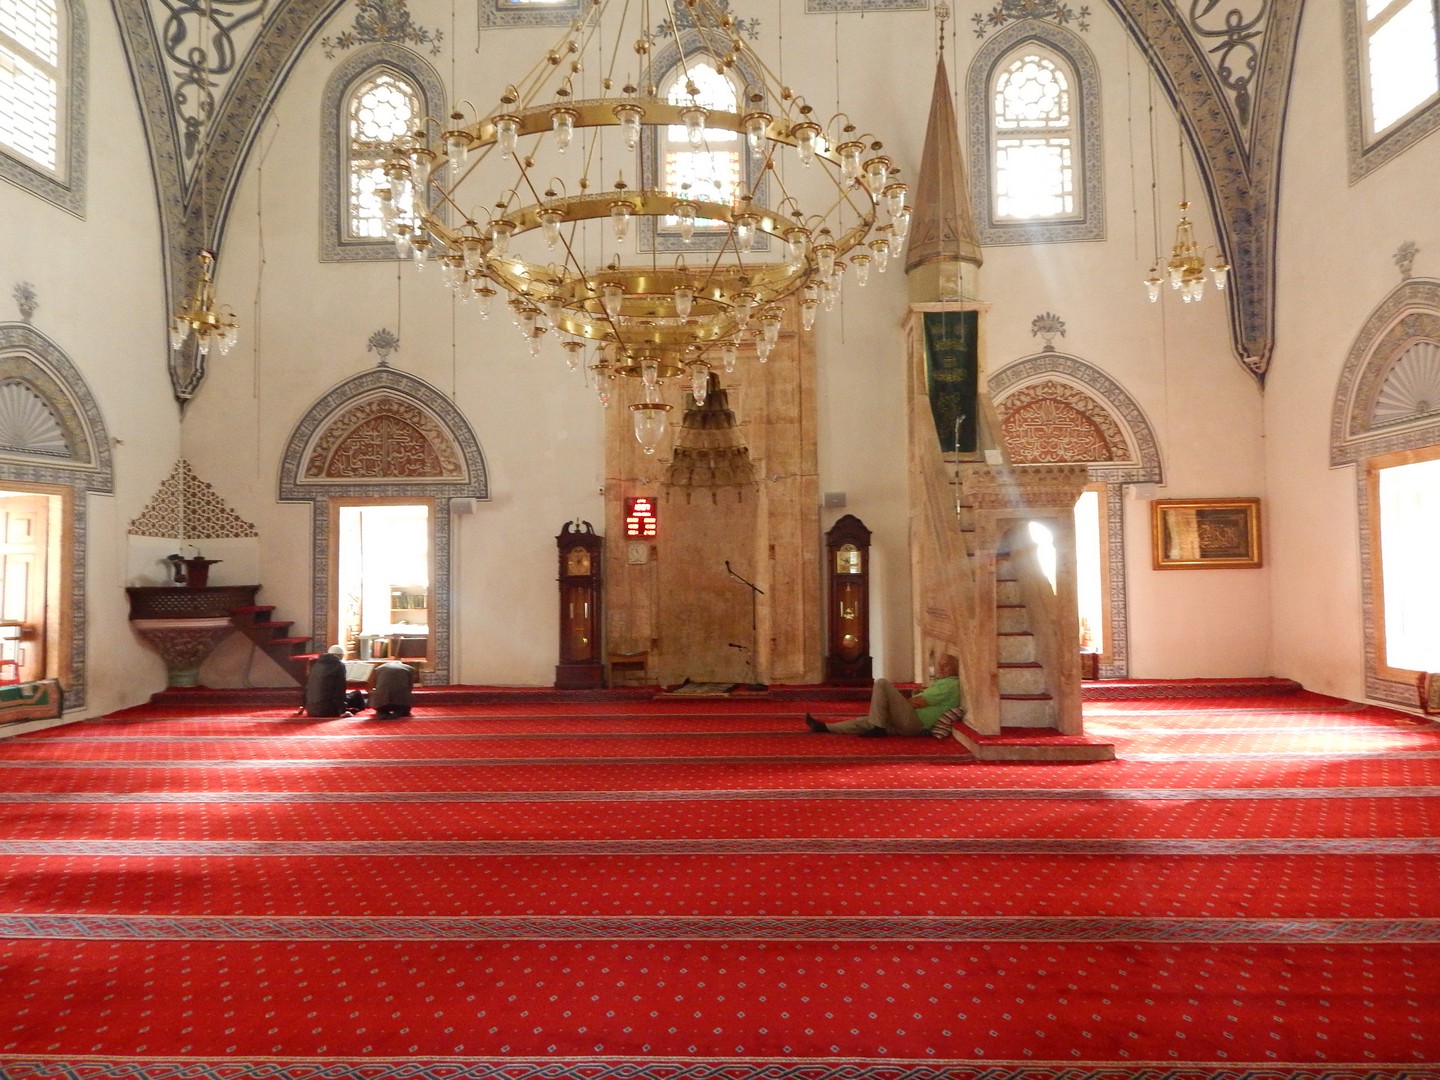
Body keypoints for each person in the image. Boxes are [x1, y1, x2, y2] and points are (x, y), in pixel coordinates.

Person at [806, 653, 962, 737]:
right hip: (912, 722)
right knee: (867, 721)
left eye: (946, 665)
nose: (940, 668)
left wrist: (893, 705)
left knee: (881, 684)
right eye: (939, 664)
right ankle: (825, 727)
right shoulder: (944, 682)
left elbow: (917, 703)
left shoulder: (949, 684)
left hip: (915, 721)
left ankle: (878, 727)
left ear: (955, 669)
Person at [303, 644, 351, 718]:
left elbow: (308, 687)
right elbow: (339, 690)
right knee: (357, 696)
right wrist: (342, 711)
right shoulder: (339, 665)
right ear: (340, 655)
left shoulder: (315, 664)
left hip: (311, 710)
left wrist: (302, 705)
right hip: (329, 710)